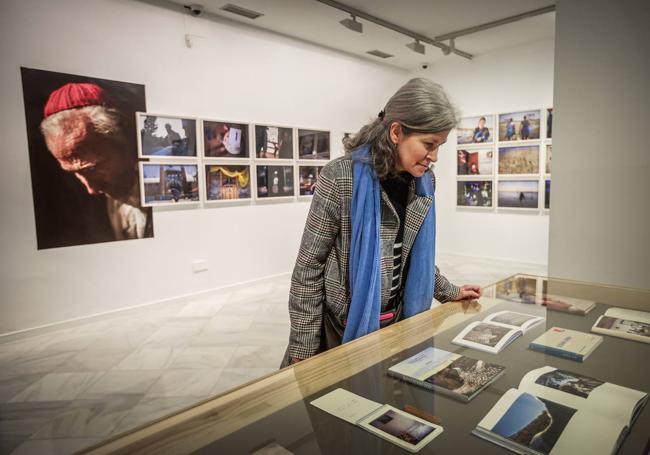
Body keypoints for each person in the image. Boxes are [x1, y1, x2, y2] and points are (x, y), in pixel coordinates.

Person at [283, 78, 481, 366]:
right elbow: (309, 266)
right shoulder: (340, 177)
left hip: (399, 322)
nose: (434, 157)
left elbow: (412, 255)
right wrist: (303, 346)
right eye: (428, 144)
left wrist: (449, 291)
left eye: (440, 146)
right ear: (396, 131)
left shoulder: (424, 182)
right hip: (342, 329)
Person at [40, 82, 152, 241]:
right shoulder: (86, 209)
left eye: (92, 169)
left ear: (123, 140)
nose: (91, 190)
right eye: (76, 174)